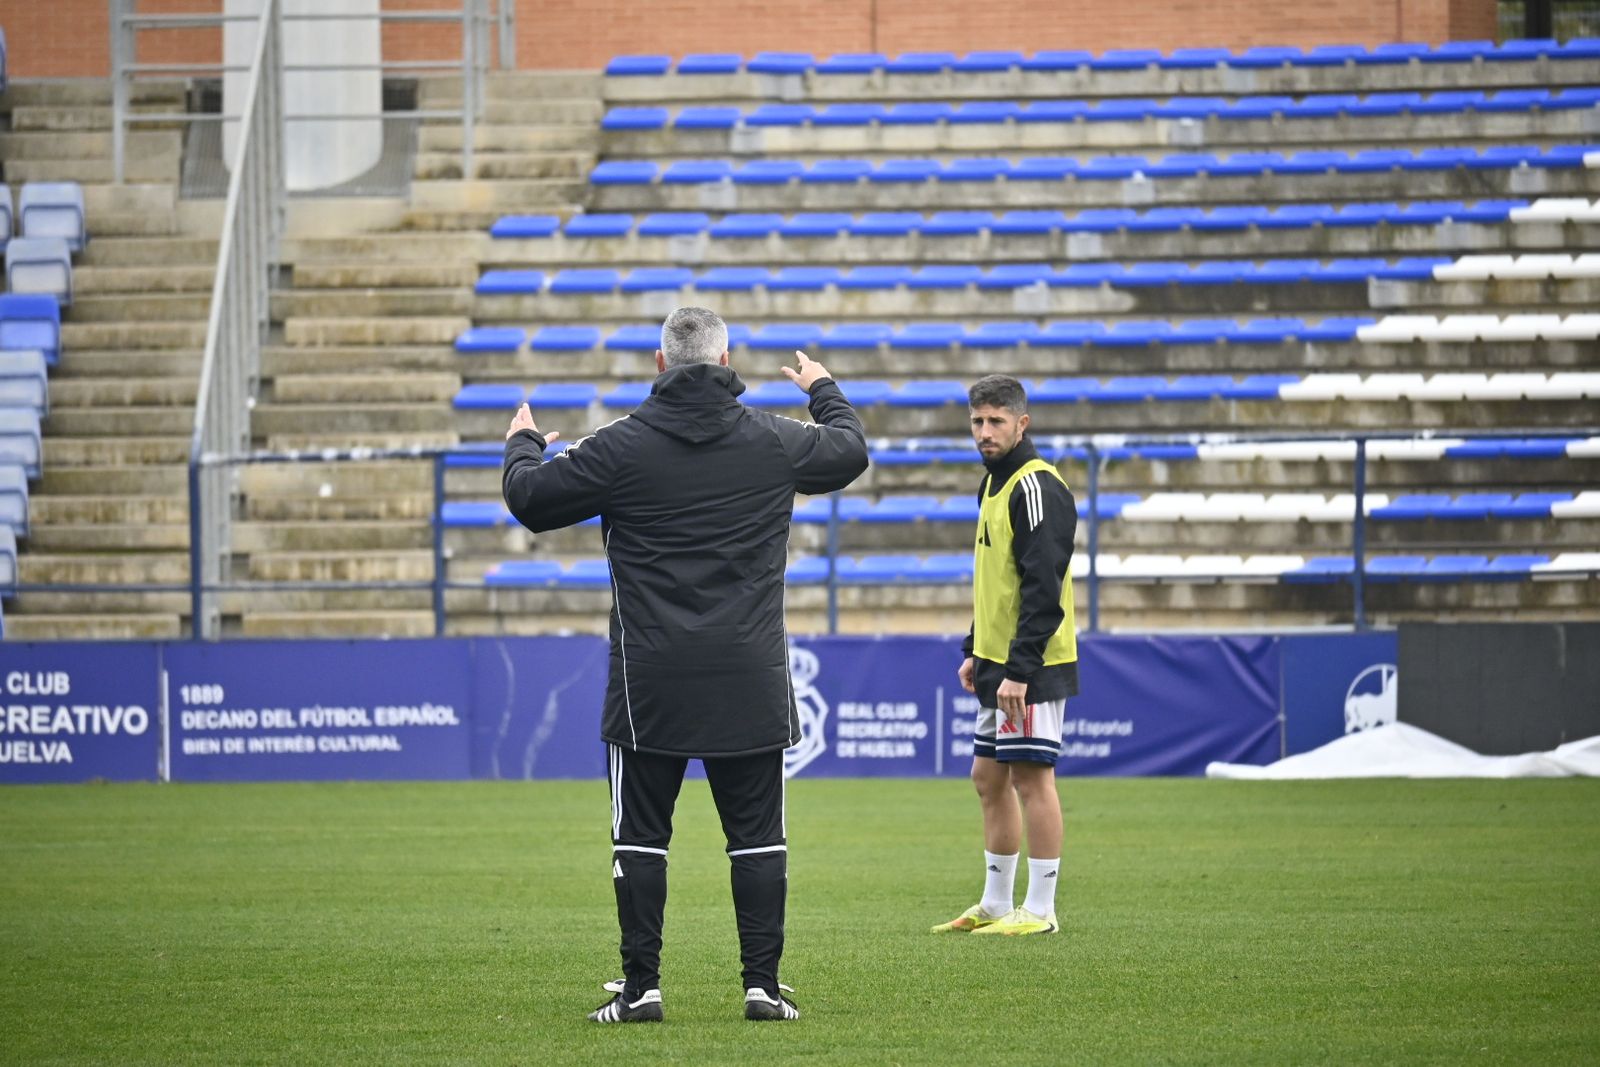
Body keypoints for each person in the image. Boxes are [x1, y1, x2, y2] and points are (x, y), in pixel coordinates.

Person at [502, 306, 869, 1022]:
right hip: (749, 673)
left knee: (639, 836)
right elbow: (850, 449)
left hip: (650, 682)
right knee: (758, 836)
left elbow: (530, 499)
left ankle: (641, 989)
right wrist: (823, 388)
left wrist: (521, 442)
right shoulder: (773, 441)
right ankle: (761, 985)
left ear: (661, 364)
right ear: (727, 359)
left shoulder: (621, 447)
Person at [931, 374, 1079, 938]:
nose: (984, 432)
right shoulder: (991, 484)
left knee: (1030, 778)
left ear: (1023, 423)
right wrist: (976, 648)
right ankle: (996, 902)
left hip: (1031, 665)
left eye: (996, 421)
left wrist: (1019, 669)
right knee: (987, 778)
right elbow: (998, 581)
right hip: (998, 660)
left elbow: (1044, 589)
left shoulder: (1036, 486)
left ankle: (1040, 911)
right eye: (977, 421)